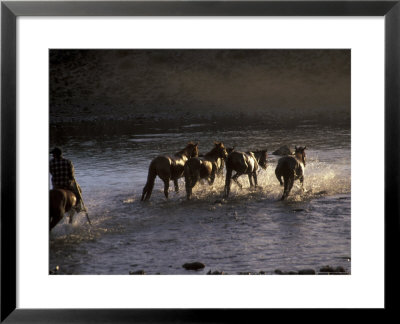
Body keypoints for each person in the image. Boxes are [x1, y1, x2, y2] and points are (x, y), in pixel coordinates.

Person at [49, 147, 86, 213]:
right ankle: (78, 207)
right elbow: (71, 176)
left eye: (53, 154)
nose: (52, 155)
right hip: (67, 184)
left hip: (56, 185)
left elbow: (51, 172)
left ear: (55, 155)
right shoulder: (68, 162)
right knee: (78, 191)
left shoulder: (50, 163)